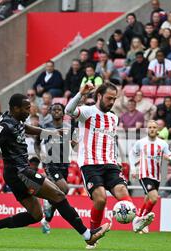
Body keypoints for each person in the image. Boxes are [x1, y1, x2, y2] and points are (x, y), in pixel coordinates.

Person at [0, 92, 110, 249]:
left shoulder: (16, 121)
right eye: (26, 108)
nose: (29, 111)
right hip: (20, 172)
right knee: (58, 195)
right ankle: (88, 235)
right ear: (16, 108)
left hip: (15, 174)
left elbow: (26, 128)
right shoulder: (5, 125)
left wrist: (51, 132)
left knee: (36, 215)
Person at [65, 82, 152, 239]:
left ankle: (136, 221)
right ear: (99, 96)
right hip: (90, 164)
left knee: (123, 192)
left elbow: (110, 140)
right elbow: (68, 110)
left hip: (110, 164)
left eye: (114, 99)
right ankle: (92, 235)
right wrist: (81, 94)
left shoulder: (113, 118)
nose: (112, 102)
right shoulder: (87, 112)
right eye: (109, 98)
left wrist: (115, 159)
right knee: (100, 199)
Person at [129, 120, 171, 233]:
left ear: (157, 129)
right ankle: (142, 220)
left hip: (156, 176)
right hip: (144, 174)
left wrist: (169, 158)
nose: (152, 129)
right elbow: (132, 154)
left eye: (154, 127)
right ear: (147, 129)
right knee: (154, 198)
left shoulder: (163, 144)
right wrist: (133, 169)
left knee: (148, 198)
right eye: (150, 127)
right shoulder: (141, 142)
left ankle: (139, 217)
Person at [36, 103, 71, 235]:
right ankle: (47, 201)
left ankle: (46, 219)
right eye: (54, 109)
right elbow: (36, 142)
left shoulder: (68, 127)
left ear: (63, 113)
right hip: (50, 163)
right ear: (50, 112)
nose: (56, 111)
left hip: (64, 164)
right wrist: (40, 155)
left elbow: (74, 144)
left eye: (59, 110)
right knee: (65, 189)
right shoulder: (45, 126)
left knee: (60, 194)